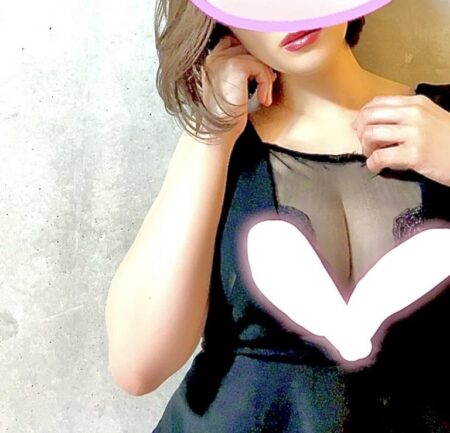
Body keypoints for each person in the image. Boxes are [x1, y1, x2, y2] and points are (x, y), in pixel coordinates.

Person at [104, 0, 450, 431]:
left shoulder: (443, 124)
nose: (291, 12)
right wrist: (211, 135)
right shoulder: (221, 151)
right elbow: (137, 367)